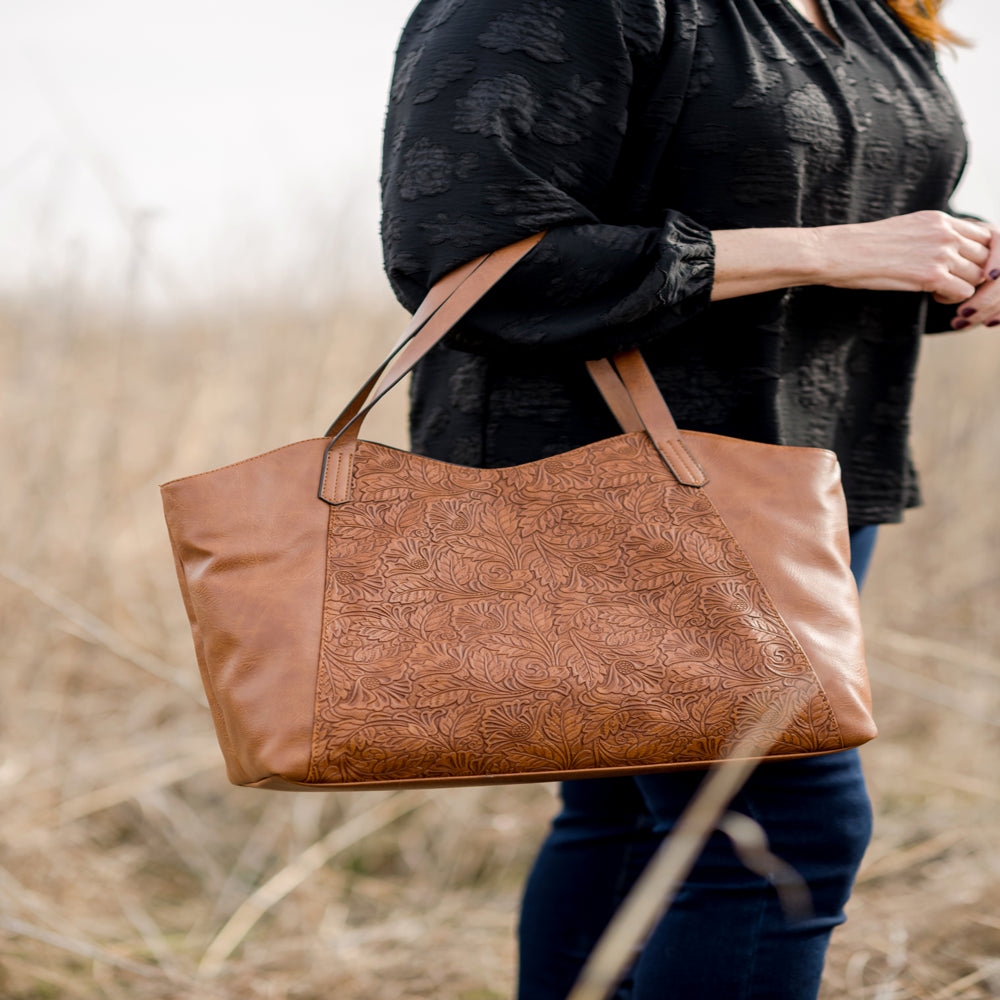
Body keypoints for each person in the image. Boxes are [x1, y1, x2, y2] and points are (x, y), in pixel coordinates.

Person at [379, 1, 998, 997]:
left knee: (629, 819)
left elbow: (815, 196)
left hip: (811, 476)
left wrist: (951, 258)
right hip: (610, 474)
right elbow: (472, 263)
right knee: (784, 835)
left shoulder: (867, 10)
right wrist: (841, 251)